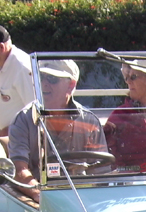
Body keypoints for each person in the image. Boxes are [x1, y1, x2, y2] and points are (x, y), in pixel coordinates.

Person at [8, 59, 106, 202]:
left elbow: (101, 171)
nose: (44, 83)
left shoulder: (89, 121)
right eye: (40, 77)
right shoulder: (23, 119)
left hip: (83, 198)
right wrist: (41, 195)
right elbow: (18, 170)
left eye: (52, 79)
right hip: (40, 201)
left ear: (70, 85)